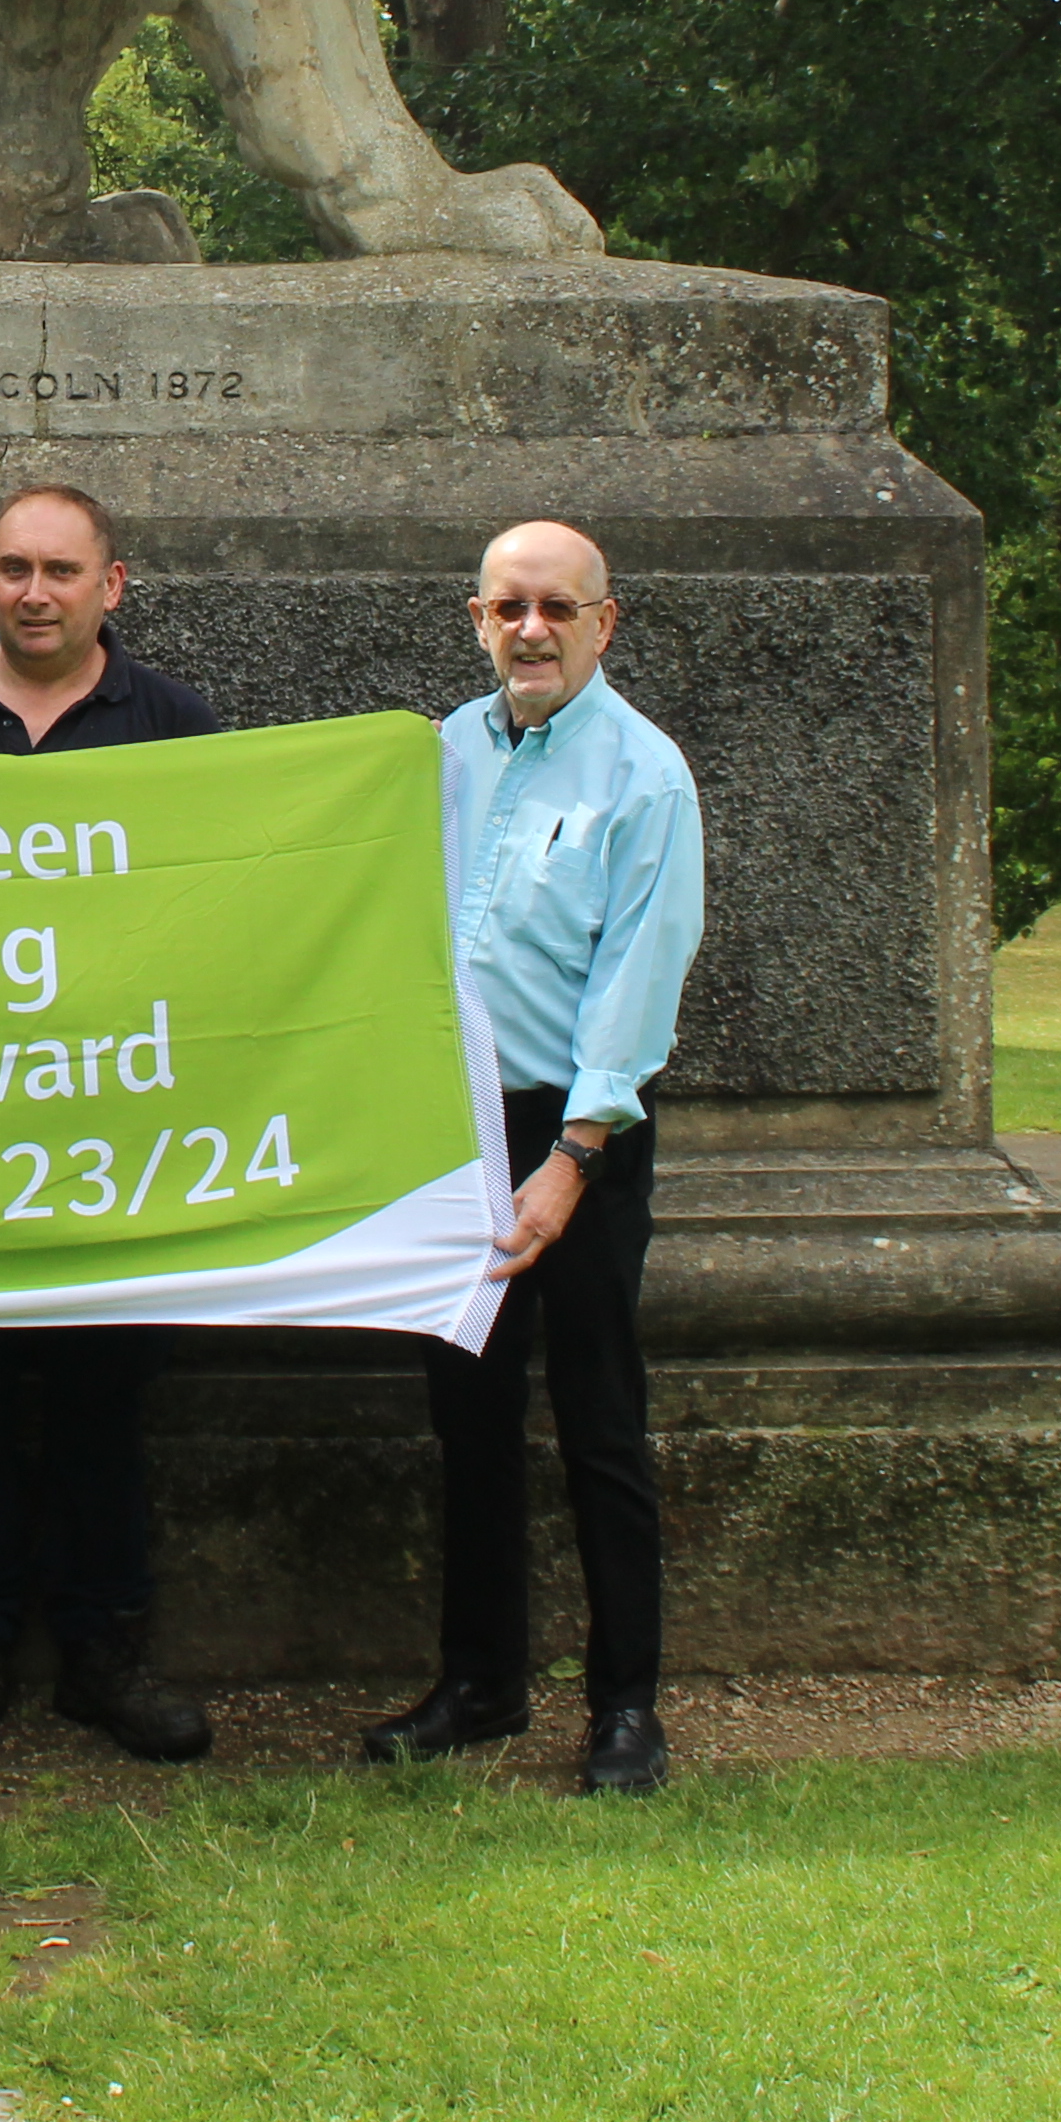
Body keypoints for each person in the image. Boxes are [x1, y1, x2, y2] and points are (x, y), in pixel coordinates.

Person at [0, 481, 222, 1770]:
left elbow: (224, 909)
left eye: (62, 571)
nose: (34, 592)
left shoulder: (173, 723)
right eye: (12, 567)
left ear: (111, 586)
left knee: (103, 1409)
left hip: (117, 1133)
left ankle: (107, 1656)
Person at [363, 517, 705, 1795]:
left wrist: (571, 1160)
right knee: (469, 1416)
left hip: (582, 1131)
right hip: (456, 1129)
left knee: (602, 1420)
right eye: (511, 607)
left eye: (560, 608)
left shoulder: (644, 776)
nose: (533, 630)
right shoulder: (438, 754)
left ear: (604, 624)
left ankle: (627, 1710)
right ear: (475, 617)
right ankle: (481, 1683)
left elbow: (638, 978)